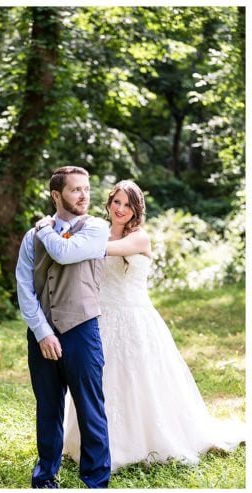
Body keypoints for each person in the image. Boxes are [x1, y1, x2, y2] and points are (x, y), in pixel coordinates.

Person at [62, 180, 244, 470]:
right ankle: (92, 441)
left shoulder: (138, 239)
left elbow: (96, 250)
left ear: (136, 209)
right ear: (109, 203)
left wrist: (68, 235)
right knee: (100, 379)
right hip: (100, 319)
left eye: (127, 204)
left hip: (135, 318)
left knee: (139, 378)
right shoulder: (96, 232)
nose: (121, 209)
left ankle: (144, 442)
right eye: (117, 202)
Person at [15, 166, 111, 488]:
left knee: (90, 409)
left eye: (87, 189)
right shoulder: (31, 237)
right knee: (48, 409)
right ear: (56, 195)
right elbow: (24, 287)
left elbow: (65, 253)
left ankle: (96, 482)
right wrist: (42, 332)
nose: (84, 195)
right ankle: (44, 479)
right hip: (41, 335)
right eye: (75, 190)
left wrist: (44, 230)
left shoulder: (97, 228)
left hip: (82, 331)